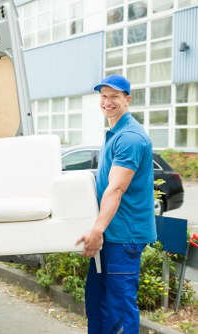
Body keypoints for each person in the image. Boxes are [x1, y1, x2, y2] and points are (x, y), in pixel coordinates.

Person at [76, 74, 156, 333]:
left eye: (114, 96)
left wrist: (97, 230)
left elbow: (117, 188)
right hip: (110, 234)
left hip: (124, 237)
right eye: (103, 96)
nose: (107, 101)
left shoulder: (130, 138)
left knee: (118, 309)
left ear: (127, 99)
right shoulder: (115, 133)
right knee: (98, 304)